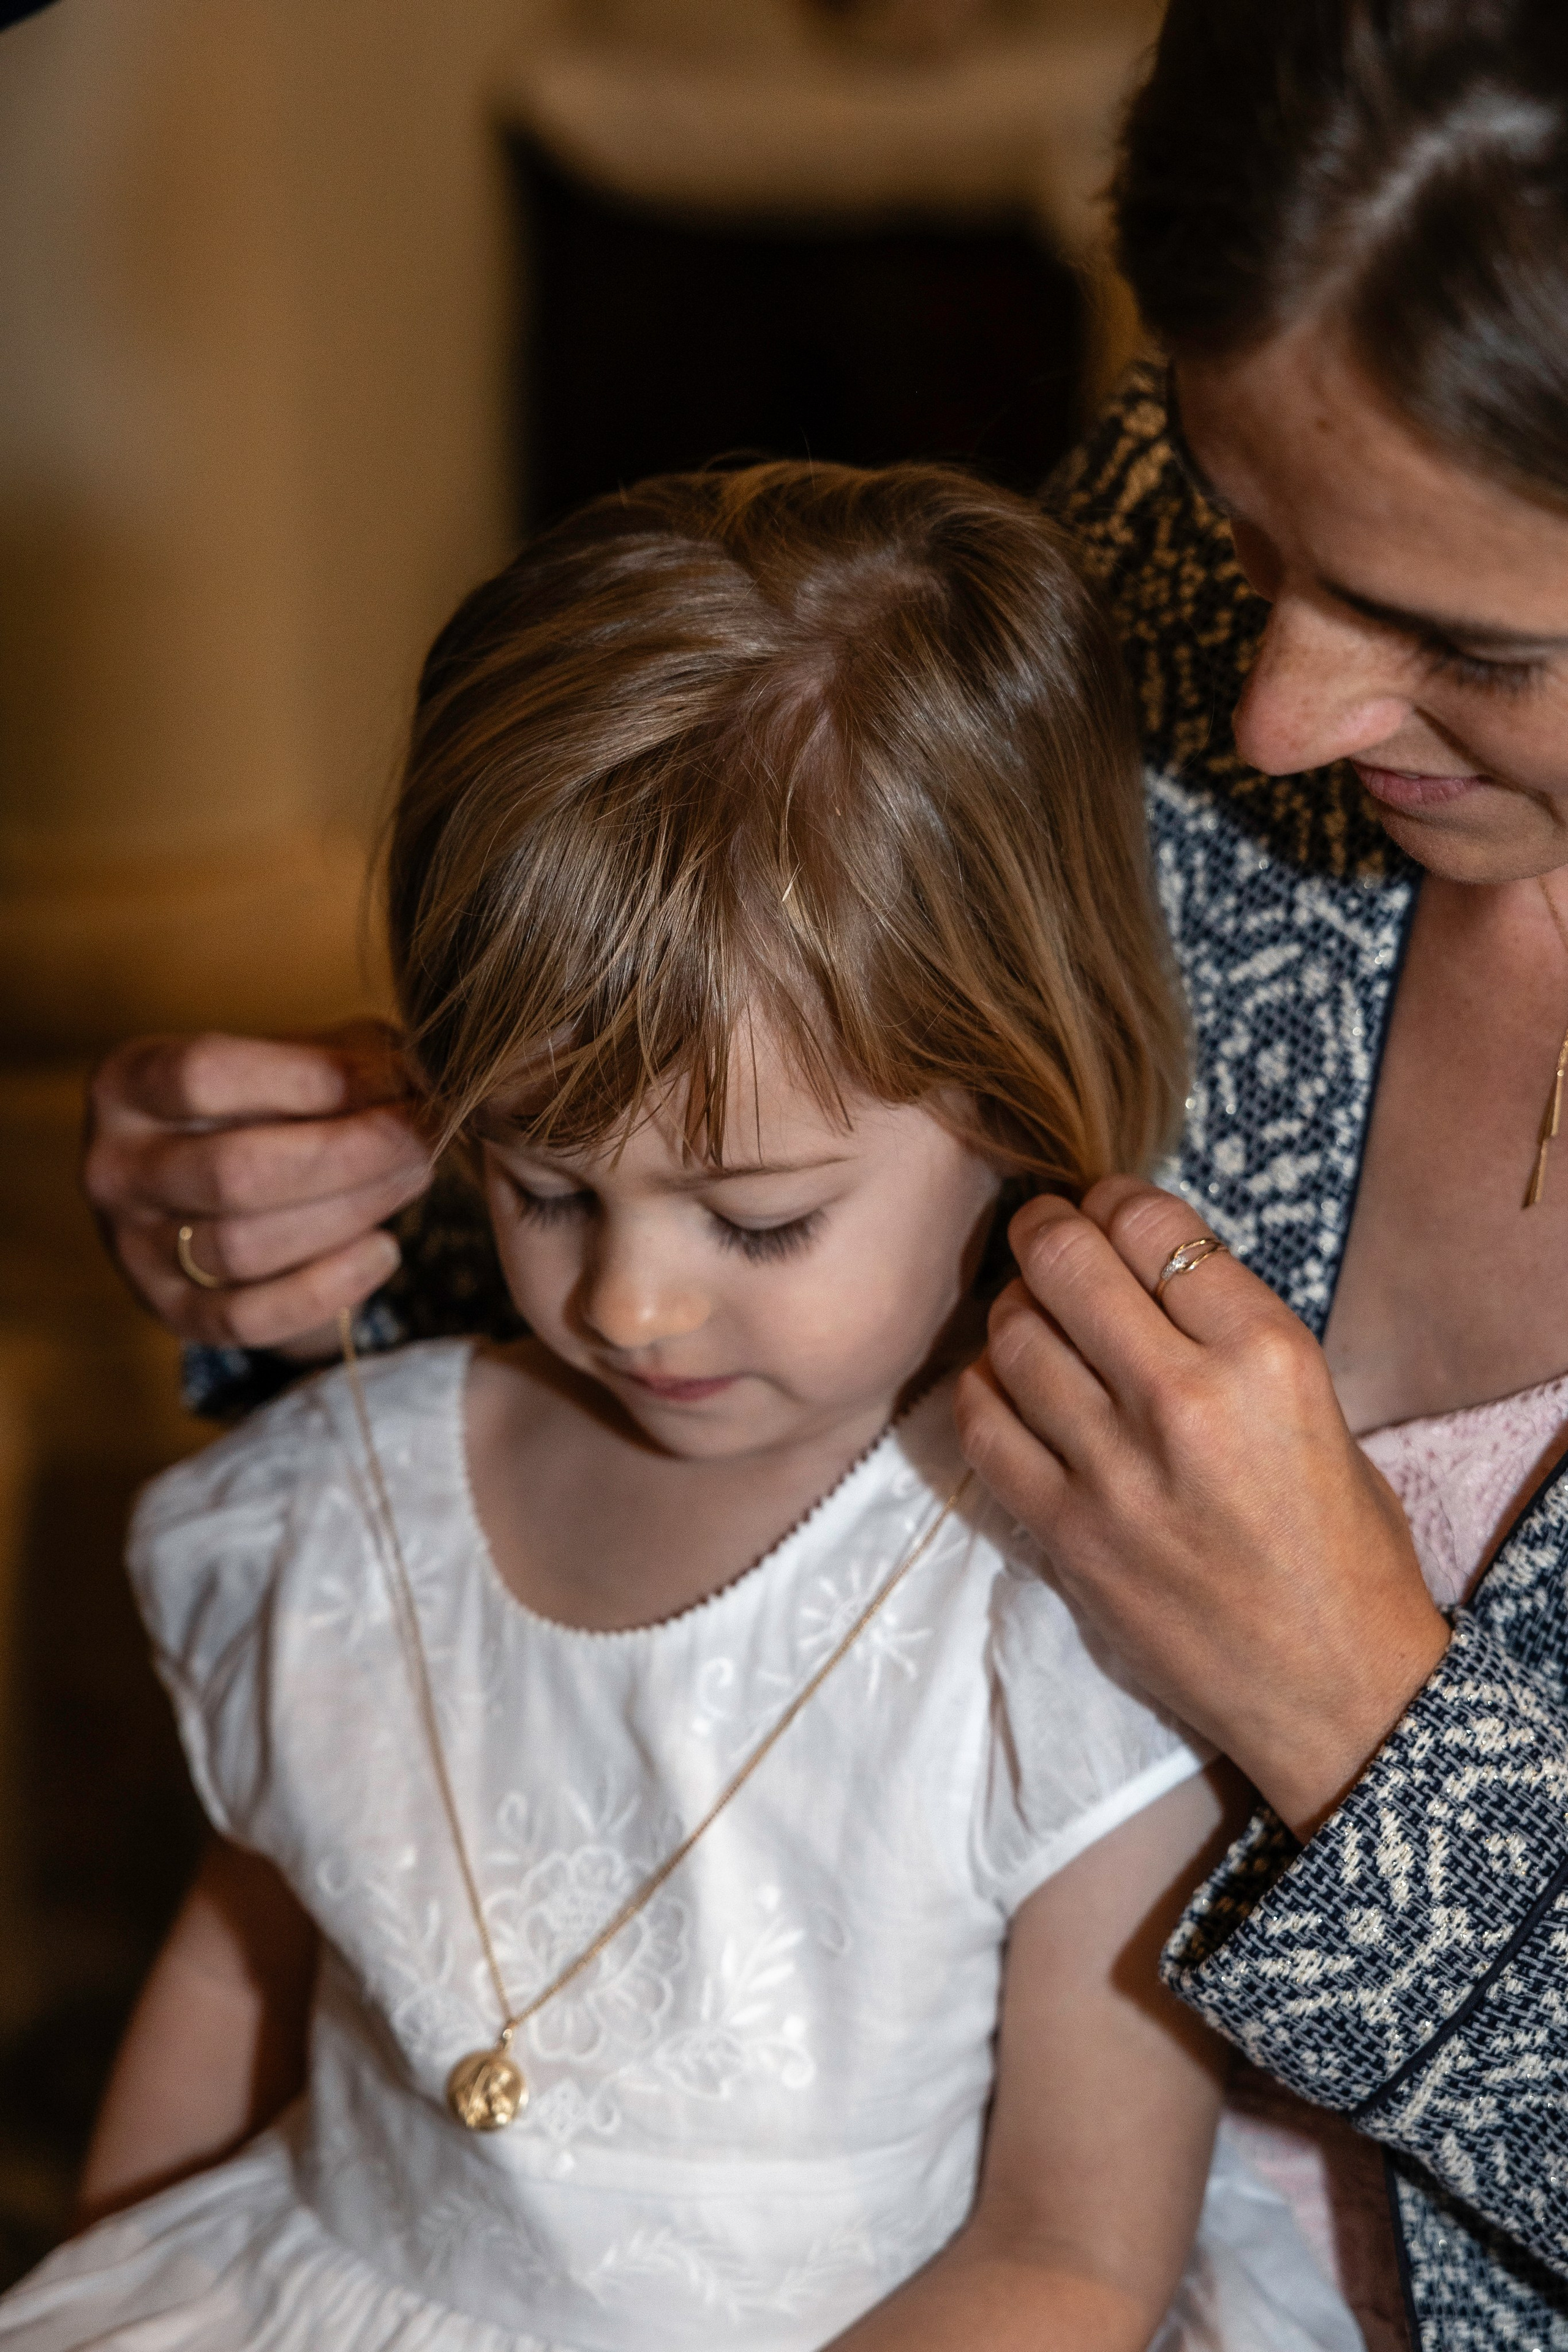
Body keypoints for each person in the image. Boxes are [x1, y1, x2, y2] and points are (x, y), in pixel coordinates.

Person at [80, 3, 1568, 2343]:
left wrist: (1371, 1741)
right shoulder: (1196, 570)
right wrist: (355, 1195)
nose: (1269, 714)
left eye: (1472, 644)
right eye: (1233, 514)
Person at [6, 461, 1362, 2351]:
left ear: (1016, 1107)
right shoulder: (349, 1499)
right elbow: (243, 1962)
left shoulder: (1061, 1613)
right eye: (545, 1187)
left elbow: (1069, 2256)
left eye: (760, 1218)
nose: (628, 1303)